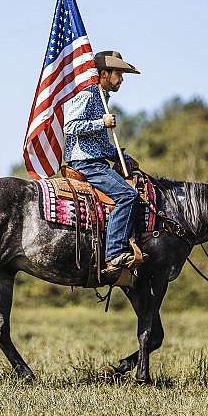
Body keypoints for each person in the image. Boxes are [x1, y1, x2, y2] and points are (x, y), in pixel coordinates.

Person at [64, 50, 142, 279]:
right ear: (105, 73)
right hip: (85, 162)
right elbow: (70, 126)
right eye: (119, 73)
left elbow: (99, 143)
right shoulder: (88, 95)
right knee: (128, 196)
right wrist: (101, 122)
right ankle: (115, 252)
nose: (122, 79)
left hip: (95, 158)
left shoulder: (103, 97)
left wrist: (119, 156)